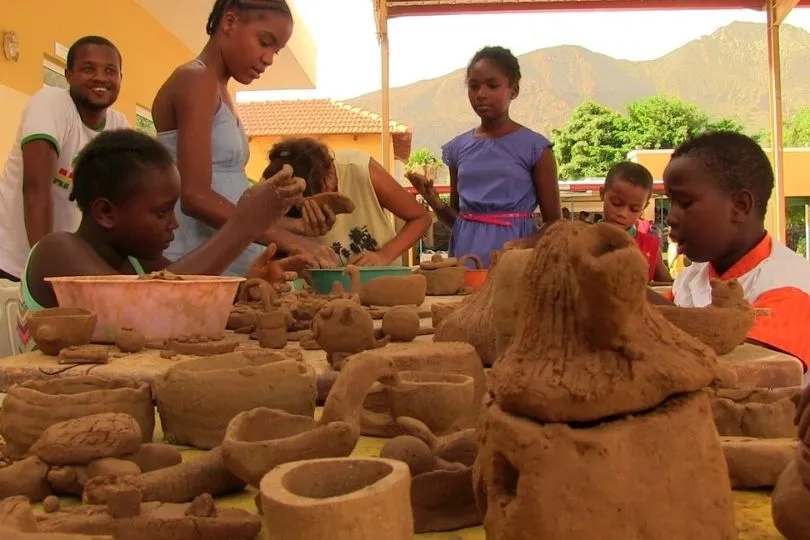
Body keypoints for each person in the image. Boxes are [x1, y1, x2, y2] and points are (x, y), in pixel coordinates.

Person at [19, 129, 305, 317]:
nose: (174, 225)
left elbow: (182, 299)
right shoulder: (56, 251)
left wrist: (244, 289)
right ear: (106, 213)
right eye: (161, 213)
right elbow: (148, 307)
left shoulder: (140, 265)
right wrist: (242, 227)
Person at [151, 0, 338, 277]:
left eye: (276, 51)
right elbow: (195, 196)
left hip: (228, 264)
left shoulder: (220, 88)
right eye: (265, 42)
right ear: (229, 22)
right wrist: (289, 239)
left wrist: (295, 227)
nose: (269, 58)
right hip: (195, 265)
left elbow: (232, 206)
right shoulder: (196, 79)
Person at [660, 131, 810, 374]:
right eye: (670, 203)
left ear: (740, 206)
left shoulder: (792, 285)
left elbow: (732, 370)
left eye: (685, 203)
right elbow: (654, 317)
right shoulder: (691, 277)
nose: (671, 218)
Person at [407, 46, 561, 268]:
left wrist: (522, 245)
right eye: (474, 86)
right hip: (466, 259)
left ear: (513, 90)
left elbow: (555, 225)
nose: (481, 93)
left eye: (492, 85)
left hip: (515, 264)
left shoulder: (536, 149)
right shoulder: (458, 149)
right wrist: (434, 201)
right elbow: (459, 221)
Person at [0, 35, 129, 281]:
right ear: (68, 75)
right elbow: (36, 192)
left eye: (110, 70)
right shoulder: (51, 103)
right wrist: (44, 270)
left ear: (120, 78)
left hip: (60, 268)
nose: (100, 77)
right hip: (12, 262)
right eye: (88, 69)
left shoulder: (118, 125)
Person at [264, 138, 432, 265]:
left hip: (380, 285)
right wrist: (296, 227)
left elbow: (421, 218)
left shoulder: (359, 169)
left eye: (318, 192)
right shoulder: (279, 184)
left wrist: (384, 256)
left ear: (329, 172)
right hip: (319, 294)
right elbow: (255, 226)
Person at [600, 162, 671, 283]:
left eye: (634, 209)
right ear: (602, 194)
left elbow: (667, 286)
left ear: (644, 207)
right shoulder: (583, 239)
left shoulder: (649, 246)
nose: (623, 213)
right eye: (616, 203)